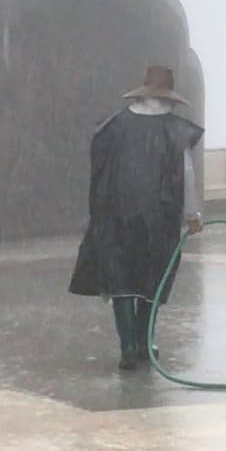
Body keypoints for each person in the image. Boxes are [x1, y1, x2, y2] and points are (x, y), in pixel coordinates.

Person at [69, 65, 204, 370]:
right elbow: (186, 175)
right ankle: (145, 344)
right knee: (151, 282)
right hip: (160, 219)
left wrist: (98, 215)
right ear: (168, 98)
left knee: (122, 284)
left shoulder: (113, 127)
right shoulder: (175, 130)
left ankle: (128, 348)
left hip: (117, 218)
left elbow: (99, 172)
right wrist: (192, 214)